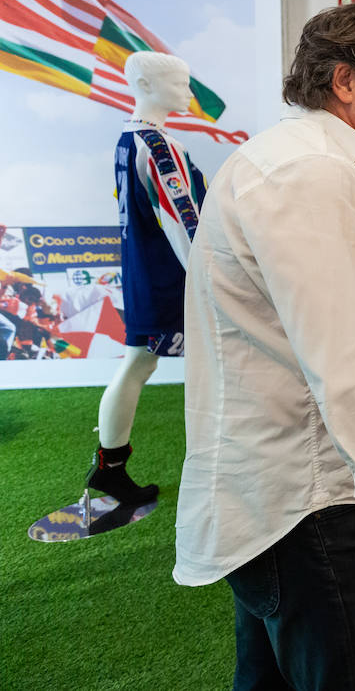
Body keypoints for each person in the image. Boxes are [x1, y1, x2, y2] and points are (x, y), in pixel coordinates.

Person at [174, 5, 355, 691]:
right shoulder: (312, 174)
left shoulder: (297, 162)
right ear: (344, 81)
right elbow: (347, 365)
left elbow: (309, 326)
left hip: (286, 496)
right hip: (316, 504)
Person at [85, 52, 205, 522]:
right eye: (180, 83)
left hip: (143, 269)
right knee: (159, 364)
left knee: (137, 364)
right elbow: (181, 221)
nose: (188, 93)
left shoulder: (126, 138)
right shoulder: (158, 146)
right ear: (147, 84)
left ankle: (110, 468)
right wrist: (208, 278)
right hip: (169, 276)